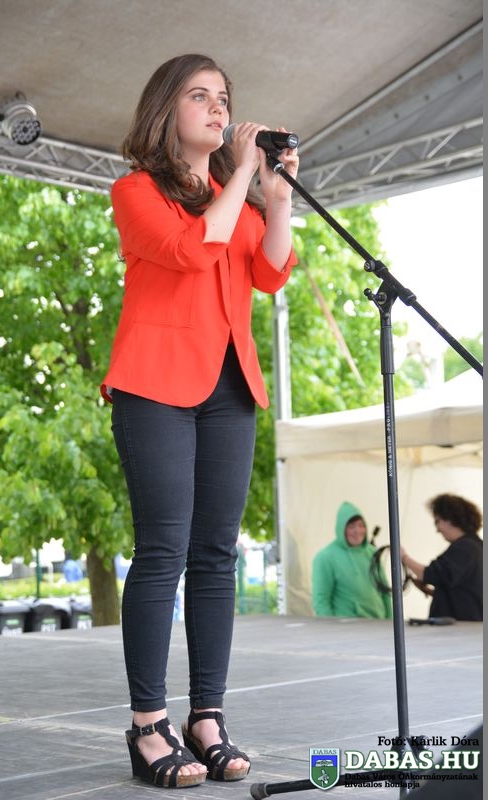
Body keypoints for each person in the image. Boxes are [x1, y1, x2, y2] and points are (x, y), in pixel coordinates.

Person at [100, 53, 298, 788]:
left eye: (224, 98)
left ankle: (205, 718)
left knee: (216, 555)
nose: (219, 109)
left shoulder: (234, 197)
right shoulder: (136, 191)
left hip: (228, 388)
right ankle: (148, 725)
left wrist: (275, 197)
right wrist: (242, 175)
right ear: (166, 109)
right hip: (154, 385)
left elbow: (269, 272)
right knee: (163, 551)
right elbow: (191, 249)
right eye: (200, 96)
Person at [401, 493, 483, 621]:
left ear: (450, 518)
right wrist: (432, 592)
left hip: (458, 627)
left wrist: (404, 557)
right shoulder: (477, 546)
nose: (437, 529)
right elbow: (464, 593)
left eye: (437, 521)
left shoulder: (465, 548)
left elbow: (432, 574)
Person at [312, 501, 392, 619]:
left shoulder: (373, 553)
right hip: (347, 627)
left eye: (361, 525)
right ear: (341, 529)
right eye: (351, 527)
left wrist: (391, 622)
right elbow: (321, 601)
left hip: (378, 623)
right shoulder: (325, 558)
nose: (357, 531)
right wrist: (330, 628)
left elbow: (385, 592)